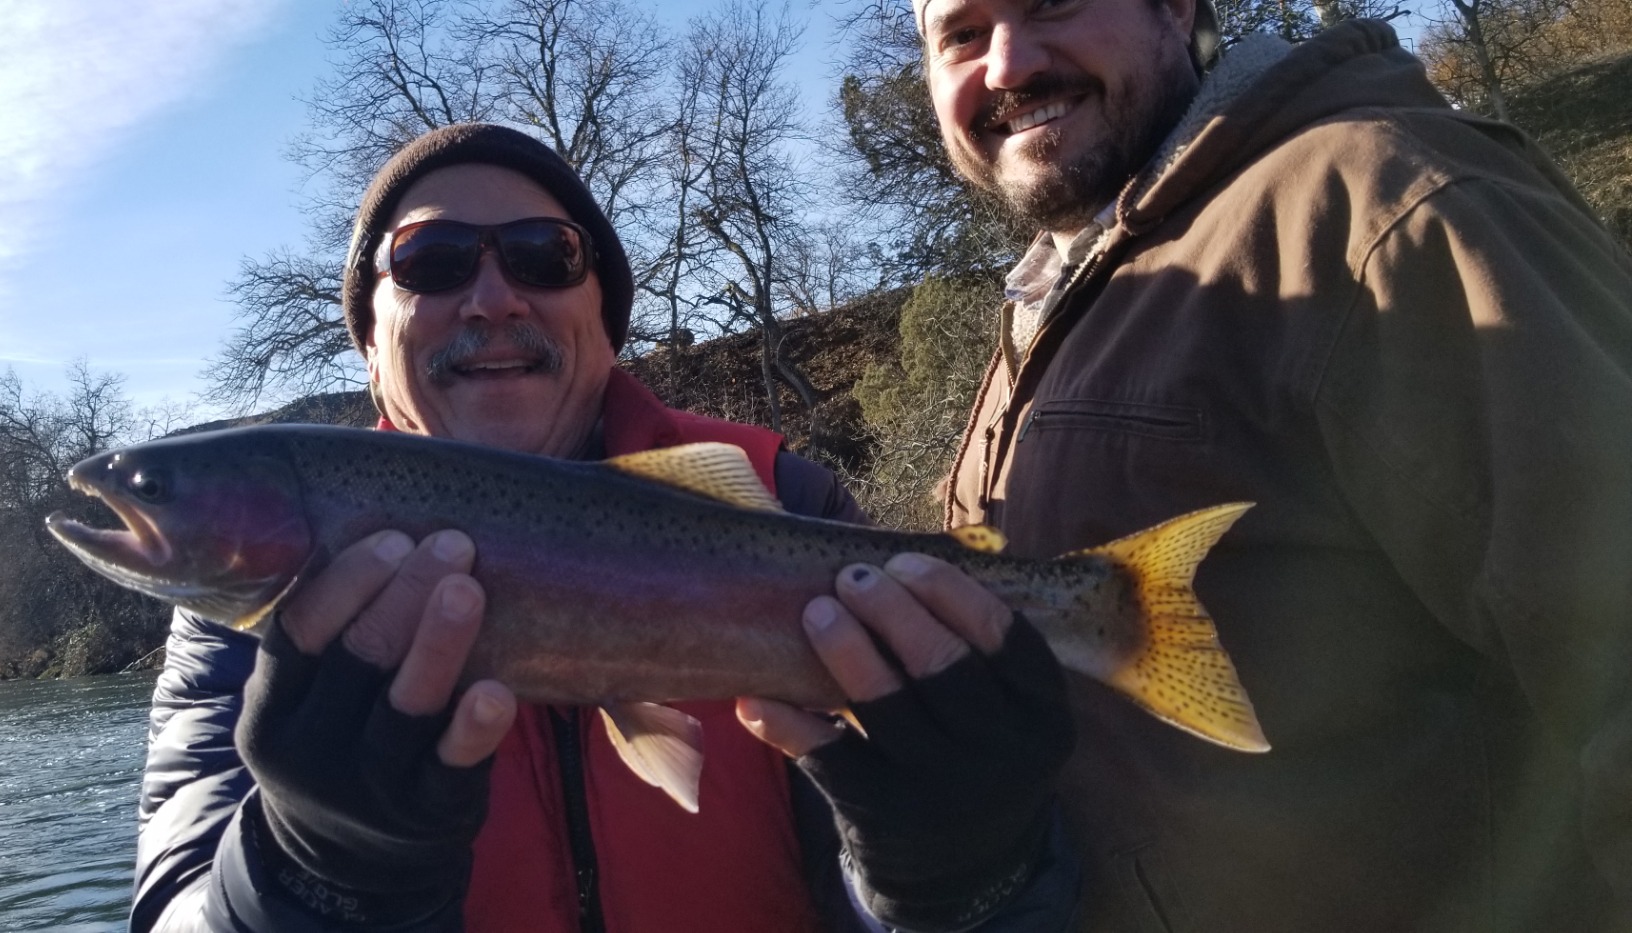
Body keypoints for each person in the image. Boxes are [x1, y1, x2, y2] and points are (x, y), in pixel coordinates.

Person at [129, 123, 1080, 933]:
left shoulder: (790, 501)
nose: (494, 297)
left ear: (604, 316)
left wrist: (963, 877)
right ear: (370, 344)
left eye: (545, 256)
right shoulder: (249, 610)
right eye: (432, 259)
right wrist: (308, 872)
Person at [916, 0, 1632, 927]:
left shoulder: (1389, 203)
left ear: (1178, 10)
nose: (1006, 65)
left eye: (1053, 3)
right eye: (962, 34)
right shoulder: (1060, 300)